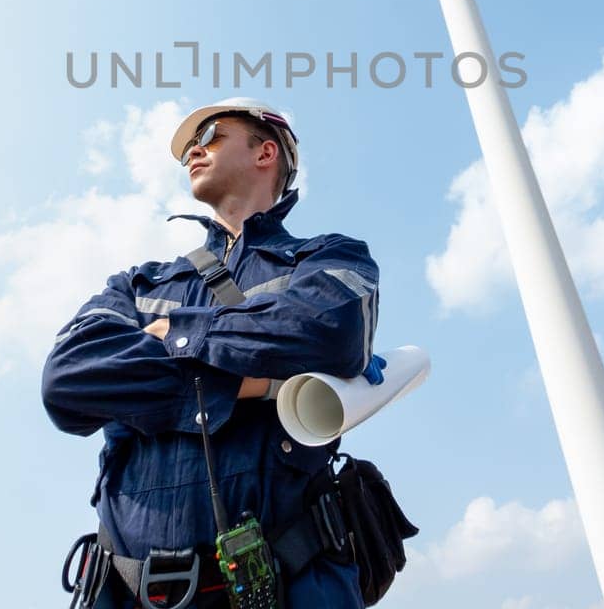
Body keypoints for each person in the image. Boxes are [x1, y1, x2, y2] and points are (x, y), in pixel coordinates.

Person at [43, 98, 379, 608]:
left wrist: (170, 333)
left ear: (266, 152)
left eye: (213, 136)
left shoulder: (330, 256)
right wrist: (256, 384)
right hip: (127, 590)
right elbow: (68, 381)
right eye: (189, 150)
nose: (195, 152)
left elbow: (331, 332)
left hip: (292, 584)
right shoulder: (138, 283)